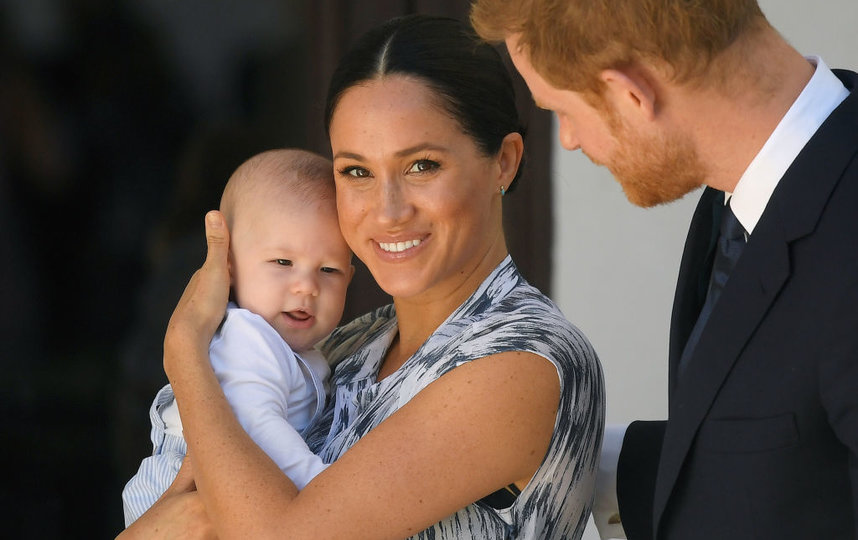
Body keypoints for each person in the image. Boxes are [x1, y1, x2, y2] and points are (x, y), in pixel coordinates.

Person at [118, 15, 604, 540]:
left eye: (421, 166)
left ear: (503, 163)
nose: (388, 211)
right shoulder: (348, 345)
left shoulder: (524, 360)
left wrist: (186, 350)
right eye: (356, 172)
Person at [471, 1, 858, 539]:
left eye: (562, 110)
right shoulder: (739, 196)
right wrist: (562, 451)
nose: (569, 140)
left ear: (632, 95)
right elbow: (789, 463)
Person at [121, 148, 354, 525]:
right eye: (283, 262)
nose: (307, 286)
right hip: (181, 494)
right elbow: (258, 425)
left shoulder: (302, 349)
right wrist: (320, 487)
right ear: (228, 266)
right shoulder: (247, 339)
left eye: (329, 270)